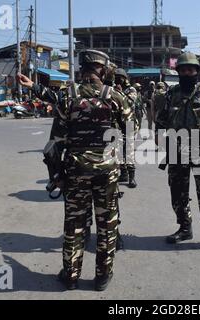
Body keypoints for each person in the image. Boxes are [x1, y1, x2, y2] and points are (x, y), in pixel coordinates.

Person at [18, 49, 128, 291]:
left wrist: (56, 175)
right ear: (103, 68)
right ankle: (102, 276)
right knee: (107, 223)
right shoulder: (115, 96)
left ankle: (70, 275)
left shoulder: (68, 96)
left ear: (82, 68)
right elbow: (131, 126)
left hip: (76, 169)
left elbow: (55, 141)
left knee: (75, 225)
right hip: (106, 170)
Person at [155, 52, 200, 257]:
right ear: (178, 72)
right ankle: (185, 227)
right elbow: (162, 119)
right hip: (176, 148)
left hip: (198, 147)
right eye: (183, 70)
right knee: (178, 191)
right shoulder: (171, 93)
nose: (187, 73)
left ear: (197, 71)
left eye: (191, 70)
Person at [115, 68, 139, 189]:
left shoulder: (131, 90)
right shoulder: (113, 90)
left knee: (128, 151)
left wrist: (120, 93)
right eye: (116, 77)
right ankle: (123, 174)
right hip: (117, 124)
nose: (118, 80)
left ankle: (132, 177)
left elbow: (130, 102)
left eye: (120, 78)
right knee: (119, 151)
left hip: (129, 124)